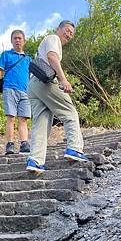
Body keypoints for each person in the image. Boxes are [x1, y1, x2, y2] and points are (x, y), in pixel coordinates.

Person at [26, 20, 88, 173]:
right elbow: (52, 57)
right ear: (58, 29)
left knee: (41, 122)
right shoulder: (53, 38)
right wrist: (63, 79)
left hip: (33, 84)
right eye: (67, 30)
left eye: (71, 34)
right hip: (45, 82)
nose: (69, 34)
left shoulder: (46, 41)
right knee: (70, 112)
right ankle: (74, 149)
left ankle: (35, 160)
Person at [0, 29, 31, 155]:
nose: (17, 40)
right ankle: (10, 144)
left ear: (24, 41)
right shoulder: (6, 55)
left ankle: (24, 143)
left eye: (20, 38)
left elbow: (32, 76)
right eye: (15, 38)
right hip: (10, 88)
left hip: (25, 91)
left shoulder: (28, 59)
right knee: (11, 117)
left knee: (23, 119)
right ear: (12, 41)